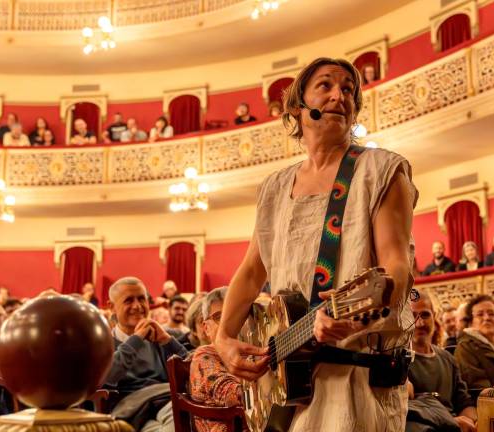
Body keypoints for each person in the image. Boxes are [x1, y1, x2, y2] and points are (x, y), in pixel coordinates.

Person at [214, 57, 416, 432]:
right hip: (285, 384)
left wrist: (352, 314)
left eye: (349, 89)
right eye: (325, 85)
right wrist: (224, 339)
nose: (340, 95)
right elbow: (251, 271)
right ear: (296, 107)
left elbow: (397, 268)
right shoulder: (274, 187)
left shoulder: (382, 170)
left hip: (355, 379)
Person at [103, 277, 187, 430]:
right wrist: (136, 340)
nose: (138, 306)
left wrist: (167, 341)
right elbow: (106, 377)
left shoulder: (161, 336)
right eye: (128, 300)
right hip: (132, 411)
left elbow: (191, 370)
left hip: (165, 402)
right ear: (112, 306)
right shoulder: (103, 342)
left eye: (142, 299)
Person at [407, 292, 476, 432]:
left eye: (425, 315)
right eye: (413, 316)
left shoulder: (447, 358)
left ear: (434, 315)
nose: (420, 323)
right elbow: (405, 411)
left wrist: (470, 422)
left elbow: (464, 402)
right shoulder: (398, 360)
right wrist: (452, 423)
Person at [189, 288, 245, 432]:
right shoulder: (204, 355)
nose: (230, 322)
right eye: (219, 317)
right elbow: (230, 395)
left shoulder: (248, 350)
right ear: (206, 328)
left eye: (236, 314)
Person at [454, 295, 494, 390]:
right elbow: (478, 388)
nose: (486, 318)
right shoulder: (466, 348)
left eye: (491, 314)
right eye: (480, 314)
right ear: (471, 322)